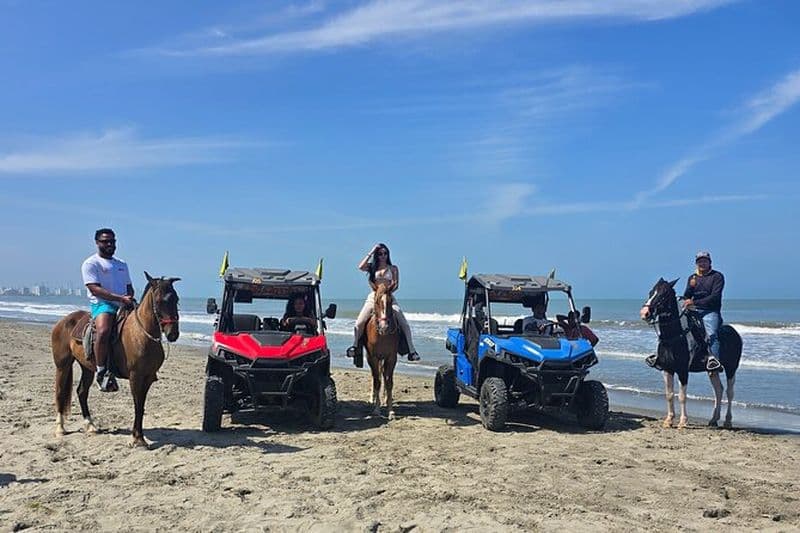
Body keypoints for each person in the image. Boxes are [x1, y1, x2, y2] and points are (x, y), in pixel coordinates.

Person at [81, 228, 134, 392]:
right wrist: (119, 299)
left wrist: (129, 298)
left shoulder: (121, 264)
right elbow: (94, 289)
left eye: (112, 241)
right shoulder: (91, 263)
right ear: (97, 243)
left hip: (123, 303)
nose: (110, 244)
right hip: (102, 304)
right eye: (105, 241)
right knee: (104, 331)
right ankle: (101, 369)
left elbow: (129, 287)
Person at [347, 243, 420, 361]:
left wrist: (387, 290)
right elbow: (360, 267)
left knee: (404, 323)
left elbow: (396, 284)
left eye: (385, 253)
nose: (383, 256)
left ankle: (412, 351)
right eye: (380, 253)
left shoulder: (393, 268)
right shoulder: (372, 267)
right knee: (359, 322)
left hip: (388, 296)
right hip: (374, 297)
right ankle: (355, 346)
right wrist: (371, 252)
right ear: (377, 255)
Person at [683, 250, 725, 371]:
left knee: (711, 333)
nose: (702, 263)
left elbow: (715, 297)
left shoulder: (717, 276)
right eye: (700, 261)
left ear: (709, 262)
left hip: (710, 310)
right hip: (693, 310)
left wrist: (694, 302)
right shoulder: (693, 277)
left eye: (704, 261)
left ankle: (713, 359)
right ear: (696, 263)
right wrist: (690, 288)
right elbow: (687, 296)